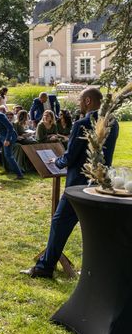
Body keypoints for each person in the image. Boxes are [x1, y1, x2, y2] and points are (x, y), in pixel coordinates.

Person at [23, 88, 119, 278]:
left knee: (60, 223)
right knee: (93, 229)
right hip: (100, 183)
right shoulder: (113, 123)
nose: (79, 103)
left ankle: (45, 268)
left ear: (89, 101)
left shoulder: (82, 123)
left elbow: (70, 156)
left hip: (78, 184)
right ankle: (95, 270)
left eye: (81, 100)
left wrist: (56, 162)